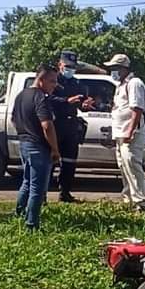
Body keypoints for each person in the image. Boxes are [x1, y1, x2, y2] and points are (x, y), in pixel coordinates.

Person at [13, 63, 63, 230]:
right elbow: (47, 125)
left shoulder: (21, 95)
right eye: (52, 81)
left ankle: (19, 214)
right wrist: (55, 149)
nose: (55, 85)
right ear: (40, 80)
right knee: (37, 187)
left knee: (27, 182)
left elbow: (14, 119)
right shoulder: (40, 97)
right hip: (38, 146)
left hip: (24, 144)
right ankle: (31, 224)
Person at [104, 53, 145, 211]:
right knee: (123, 166)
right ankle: (129, 199)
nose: (112, 71)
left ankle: (142, 202)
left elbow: (137, 109)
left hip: (130, 133)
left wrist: (130, 131)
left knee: (132, 165)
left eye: (114, 68)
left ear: (123, 68)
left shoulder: (134, 83)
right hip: (120, 133)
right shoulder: (121, 85)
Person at [48, 51, 95, 203]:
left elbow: (81, 104)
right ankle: (41, 195)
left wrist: (85, 105)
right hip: (54, 125)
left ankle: (65, 193)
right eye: (67, 66)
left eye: (73, 67)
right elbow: (48, 99)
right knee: (49, 161)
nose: (70, 69)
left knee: (69, 161)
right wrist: (67, 100)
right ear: (60, 64)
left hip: (71, 126)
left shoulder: (77, 84)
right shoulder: (53, 81)